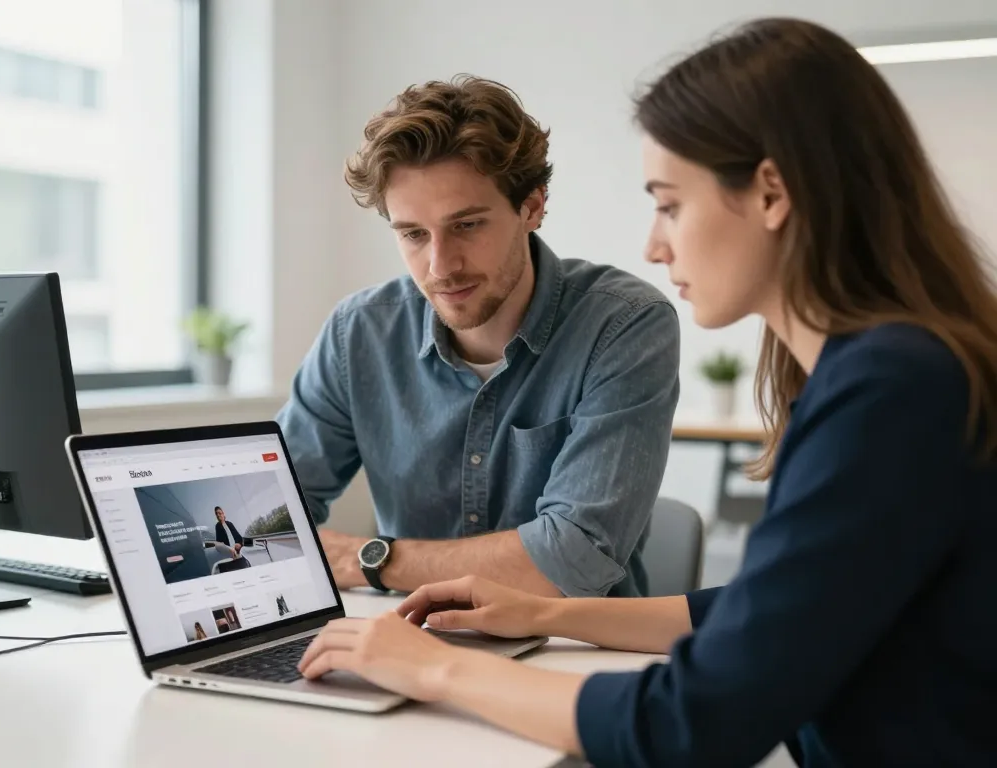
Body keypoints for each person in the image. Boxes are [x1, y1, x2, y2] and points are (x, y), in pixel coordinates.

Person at [295, 17, 997, 767]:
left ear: (770, 193)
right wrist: (546, 612)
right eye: (412, 234)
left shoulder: (889, 394)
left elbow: (692, 722)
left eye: (669, 203)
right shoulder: (891, 371)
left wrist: (431, 665)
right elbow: (772, 612)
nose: (654, 245)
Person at [277, 75, 680, 598]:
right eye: (413, 234)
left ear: (532, 206)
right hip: (406, 640)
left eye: (466, 225)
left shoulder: (624, 324)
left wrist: (371, 559)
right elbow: (276, 515)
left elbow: (574, 559)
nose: (441, 266)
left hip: (574, 655)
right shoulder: (359, 333)